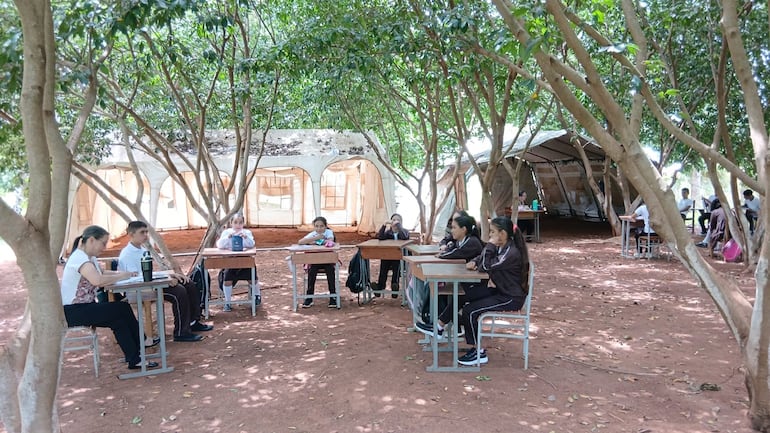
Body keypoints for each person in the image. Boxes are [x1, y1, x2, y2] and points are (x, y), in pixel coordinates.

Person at [61, 225, 158, 370]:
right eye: (103, 243)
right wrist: (121, 275)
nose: (104, 247)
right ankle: (143, 341)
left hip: (82, 307)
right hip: (73, 311)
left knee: (118, 320)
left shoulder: (88, 257)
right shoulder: (79, 258)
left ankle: (135, 359)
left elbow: (102, 272)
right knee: (121, 307)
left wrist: (124, 274)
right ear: (92, 240)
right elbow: (98, 280)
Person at [118, 221, 212, 342]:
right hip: (139, 289)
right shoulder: (127, 254)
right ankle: (181, 332)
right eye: (142, 232)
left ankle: (193, 322)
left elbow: (148, 274)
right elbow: (136, 278)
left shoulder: (141, 249)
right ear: (131, 234)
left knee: (189, 284)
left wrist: (172, 275)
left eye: (146, 232)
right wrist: (167, 280)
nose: (145, 235)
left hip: (150, 284)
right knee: (179, 292)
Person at [459, 217, 530, 366]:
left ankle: (478, 351)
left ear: (502, 234)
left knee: (470, 311)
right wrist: (475, 261)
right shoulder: (502, 248)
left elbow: (486, 265)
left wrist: (488, 247)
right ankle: (440, 325)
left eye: (492, 232)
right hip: (501, 291)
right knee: (463, 296)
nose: (490, 236)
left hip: (511, 297)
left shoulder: (511, 253)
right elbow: (483, 259)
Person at [415, 215, 484, 334]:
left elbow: (456, 253)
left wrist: (441, 254)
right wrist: (444, 249)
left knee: (446, 291)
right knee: (439, 289)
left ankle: (446, 325)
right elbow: (449, 245)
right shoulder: (461, 239)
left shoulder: (472, 242)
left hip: (474, 282)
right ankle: (442, 324)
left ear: (464, 229)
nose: (451, 230)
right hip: (463, 278)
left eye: (454, 227)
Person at [216, 213, 260, 311]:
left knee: (252, 277)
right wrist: (228, 237)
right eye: (235, 222)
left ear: (243, 223)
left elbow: (252, 244)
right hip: (230, 261)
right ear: (231, 223)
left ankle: (257, 295)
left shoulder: (247, 232)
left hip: (244, 260)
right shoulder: (227, 232)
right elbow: (219, 245)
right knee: (227, 280)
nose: (238, 225)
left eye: (240, 223)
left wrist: (245, 237)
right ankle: (227, 302)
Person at [298, 216, 337, 308]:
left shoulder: (329, 232)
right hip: (315, 260)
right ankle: (309, 297)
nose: (319, 228)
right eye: (317, 226)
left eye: (321, 226)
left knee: (330, 271)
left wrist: (317, 241)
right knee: (311, 272)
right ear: (314, 227)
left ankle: (333, 296)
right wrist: (314, 239)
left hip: (327, 260)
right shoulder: (313, 234)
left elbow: (330, 241)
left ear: (326, 226)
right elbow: (300, 242)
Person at [373, 213, 410, 298]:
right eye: (393, 220)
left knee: (397, 265)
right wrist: (384, 225)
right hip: (388, 257)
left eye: (398, 220)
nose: (395, 222)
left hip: (400, 258)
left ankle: (395, 286)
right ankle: (380, 287)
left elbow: (404, 237)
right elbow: (380, 237)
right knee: (383, 265)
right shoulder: (388, 233)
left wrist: (399, 226)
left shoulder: (404, 232)